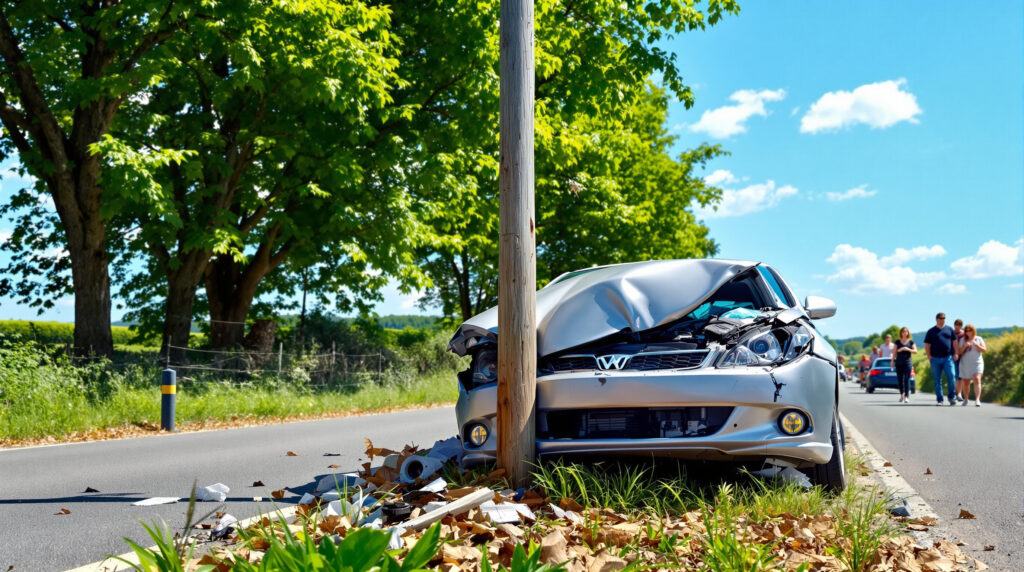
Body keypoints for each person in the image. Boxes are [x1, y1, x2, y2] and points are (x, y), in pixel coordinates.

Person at [924, 312, 958, 406]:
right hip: (935, 359)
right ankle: (940, 400)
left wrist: (956, 353)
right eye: (941, 318)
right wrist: (929, 356)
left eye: (944, 318)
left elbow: (955, 342)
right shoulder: (931, 331)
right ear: (937, 319)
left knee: (951, 376)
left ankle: (952, 397)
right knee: (937, 380)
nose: (943, 320)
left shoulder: (950, 329)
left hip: (948, 358)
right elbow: (927, 344)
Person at [957, 324, 987, 407]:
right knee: (966, 382)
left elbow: (984, 350)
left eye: (970, 330)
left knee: (977, 379)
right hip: (965, 363)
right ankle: (966, 399)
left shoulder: (979, 339)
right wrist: (965, 346)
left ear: (973, 330)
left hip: (977, 362)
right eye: (966, 330)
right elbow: (959, 352)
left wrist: (976, 344)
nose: (968, 332)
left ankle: (977, 399)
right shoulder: (963, 340)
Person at [893, 327, 917, 403]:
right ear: (901, 333)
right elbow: (894, 352)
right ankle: (902, 395)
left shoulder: (911, 342)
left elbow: (915, 351)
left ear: (908, 333)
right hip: (899, 362)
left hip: (908, 362)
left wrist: (907, 349)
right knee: (900, 380)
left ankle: (906, 396)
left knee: (907, 379)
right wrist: (892, 361)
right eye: (903, 332)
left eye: (906, 332)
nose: (904, 333)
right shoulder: (897, 342)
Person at [952, 319, 966, 401]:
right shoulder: (951, 333)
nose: (957, 326)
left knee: (961, 376)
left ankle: (959, 393)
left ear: (961, 326)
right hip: (953, 356)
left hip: (963, 357)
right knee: (955, 375)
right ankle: (956, 393)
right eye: (956, 325)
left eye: (959, 325)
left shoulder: (964, 334)